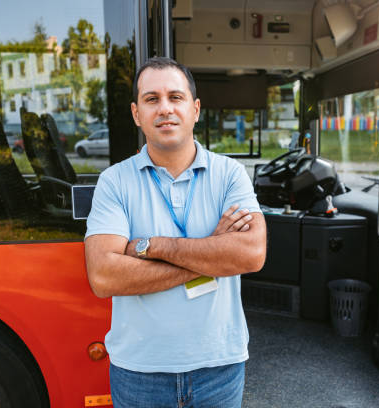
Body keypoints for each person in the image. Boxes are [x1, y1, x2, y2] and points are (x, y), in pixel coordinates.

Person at [84, 57, 267, 408]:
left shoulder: (230, 175)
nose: (165, 108)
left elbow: (251, 254)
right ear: (137, 114)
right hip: (139, 371)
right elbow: (104, 276)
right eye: (152, 99)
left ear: (195, 109)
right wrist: (214, 253)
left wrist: (152, 246)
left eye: (176, 97)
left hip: (219, 367)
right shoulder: (114, 181)